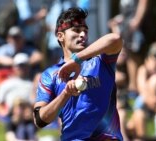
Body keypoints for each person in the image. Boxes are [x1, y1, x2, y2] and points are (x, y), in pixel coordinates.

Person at [33, 7, 123, 140]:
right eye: (76, 30)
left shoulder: (101, 61)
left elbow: (115, 39)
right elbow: (40, 120)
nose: (83, 35)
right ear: (60, 36)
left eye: (85, 31)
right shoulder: (50, 75)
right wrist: (66, 94)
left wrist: (77, 59)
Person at [108, 0, 148, 97]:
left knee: (134, 55)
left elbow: (143, 3)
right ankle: (132, 87)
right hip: (126, 27)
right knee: (128, 55)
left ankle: (135, 87)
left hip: (136, 28)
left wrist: (137, 20)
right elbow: (125, 12)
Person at [0, 53, 37, 141]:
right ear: (14, 67)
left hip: (28, 115)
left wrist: (30, 113)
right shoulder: (6, 84)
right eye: (20, 66)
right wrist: (5, 114)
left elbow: (35, 104)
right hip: (12, 115)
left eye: (24, 66)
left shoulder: (32, 85)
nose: (22, 68)